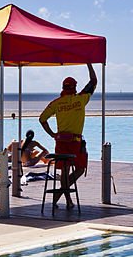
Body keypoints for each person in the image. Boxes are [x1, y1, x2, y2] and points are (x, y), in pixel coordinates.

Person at [39, 64, 97, 208]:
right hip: (75, 141)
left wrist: (52, 134)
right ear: (75, 87)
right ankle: (63, 196)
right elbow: (93, 81)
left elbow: (42, 119)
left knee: (64, 171)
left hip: (61, 141)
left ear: (63, 88)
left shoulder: (56, 103)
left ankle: (64, 198)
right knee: (80, 169)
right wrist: (89, 64)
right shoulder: (81, 99)